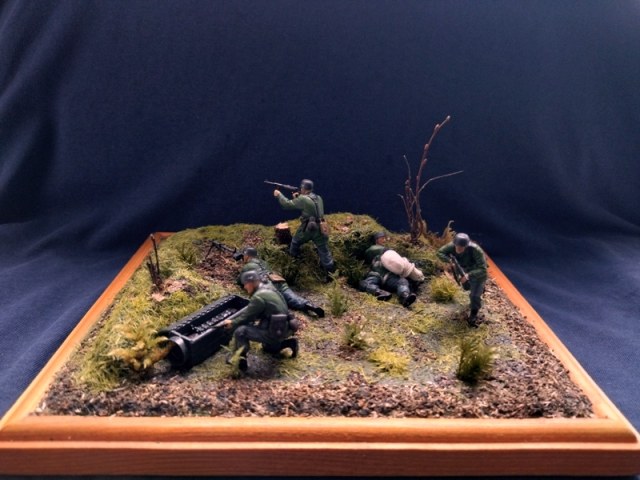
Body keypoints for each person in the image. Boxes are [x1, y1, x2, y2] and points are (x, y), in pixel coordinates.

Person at [221, 270, 298, 372]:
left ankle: (240, 361)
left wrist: (232, 323)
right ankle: (290, 343)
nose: (245, 287)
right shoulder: (269, 287)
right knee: (268, 348)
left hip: (275, 330)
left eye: (245, 284)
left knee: (241, 331)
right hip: (286, 326)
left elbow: (246, 317)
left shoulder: (258, 297)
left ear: (251, 283)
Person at [237, 246, 325, 317]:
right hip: (277, 280)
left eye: (243, 255)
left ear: (247, 256)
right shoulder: (263, 262)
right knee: (293, 298)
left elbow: (240, 281)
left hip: (267, 285)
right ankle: (309, 305)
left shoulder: (247, 266)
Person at [273, 179, 335, 274]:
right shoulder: (318, 197)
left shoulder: (303, 199)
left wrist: (279, 195)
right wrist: (298, 198)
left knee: (295, 242)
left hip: (308, 228)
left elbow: (287, 205)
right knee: (324, 250)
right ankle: (330, 272)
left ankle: (294, 261)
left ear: (303, 188)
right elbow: (310, 206)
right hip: (321, 227)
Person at [436, 232, 488, 327]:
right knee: (466, 287)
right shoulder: (452, 246)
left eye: (461, 247)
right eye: (457, 246)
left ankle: (473, 314)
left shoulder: (476, 250)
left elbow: (483, 270)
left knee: (474, 296)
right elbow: (439, 252)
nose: (458, 249)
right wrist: (450, 261)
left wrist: (469, 275)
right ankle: (478, 289)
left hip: (477, 272)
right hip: (463, 269)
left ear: (466, 246)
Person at [359, 231, 417, 308]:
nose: (384, 240)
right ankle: (378, 292)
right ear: (376, 240)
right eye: (381, 238)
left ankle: (404, 296)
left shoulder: (389, 252)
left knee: (402, 281)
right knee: (364, 283)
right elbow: (369, 252)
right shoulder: (373, 249)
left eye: (384, 238)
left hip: (388, 276)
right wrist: (385, 250)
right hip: (375, 274)